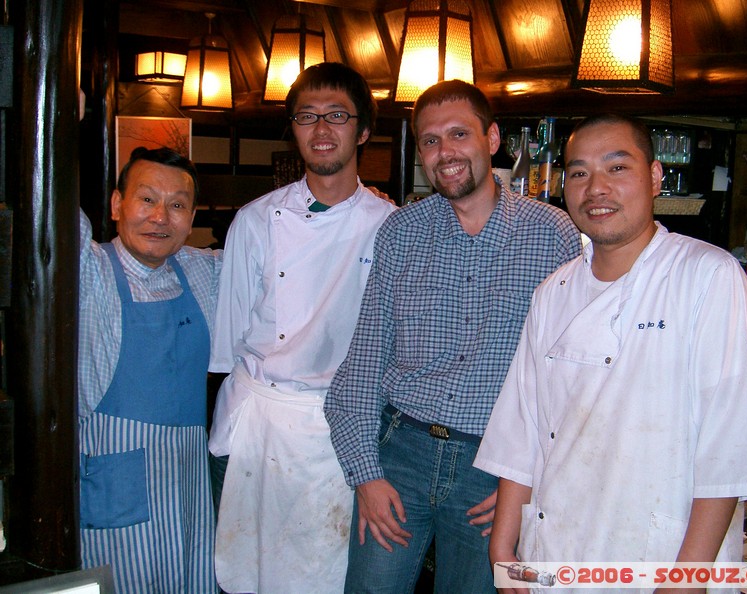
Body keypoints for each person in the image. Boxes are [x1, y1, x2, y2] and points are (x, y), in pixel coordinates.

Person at [475, 114, 747, 594]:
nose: (596, 189)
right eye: (579, 172)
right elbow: (522, 429)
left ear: (654, 177)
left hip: (658, 559)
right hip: (553, 553)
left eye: (617, 168)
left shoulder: (706, 276)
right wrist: (503, 550)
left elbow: (725, 447)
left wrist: (686, 581)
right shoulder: (554, 290)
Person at [324, 79, 582, 593]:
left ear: (491, 139)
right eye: (430, 140)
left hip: (494, 468)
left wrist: (532, 475)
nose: (445, 153)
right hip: (400, 455)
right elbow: (365, 359)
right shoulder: (401, 231)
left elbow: (572, 374)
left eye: (459, 134)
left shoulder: (553, 233)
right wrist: (365, 474)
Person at [208, 62, 397, 594]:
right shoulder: (255, 219)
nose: (321, 130)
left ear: (362, 131)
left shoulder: (390, 225)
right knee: (244, 570)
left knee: (327, 575)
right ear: (292, 129)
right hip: (256, 426)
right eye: (307, 117)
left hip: (337, 432)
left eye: (337, 116)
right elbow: (231, 338)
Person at [78, 147, 221, 594]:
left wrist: (349, 203)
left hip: (188, 478)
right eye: (146, 199)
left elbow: (280, 257)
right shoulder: (88, 268)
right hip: (114, 481)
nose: (161, 216)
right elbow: (51, 206)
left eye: (177, 204)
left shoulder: (206, 271)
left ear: (192, 215)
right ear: (117, 204)